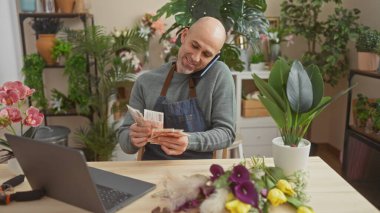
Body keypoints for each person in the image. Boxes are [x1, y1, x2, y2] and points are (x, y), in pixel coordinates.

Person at [118, 16, 236, 160]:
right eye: (195, 46)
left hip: (197, 172)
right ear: (184, 36)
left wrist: (189, 141)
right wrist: (132, 137)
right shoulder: (145, 82)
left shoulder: (218, 75)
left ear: (215, 57)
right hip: (152, 170)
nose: (196, 58)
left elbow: (226, 133)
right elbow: (125, 141)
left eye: (206, 54)